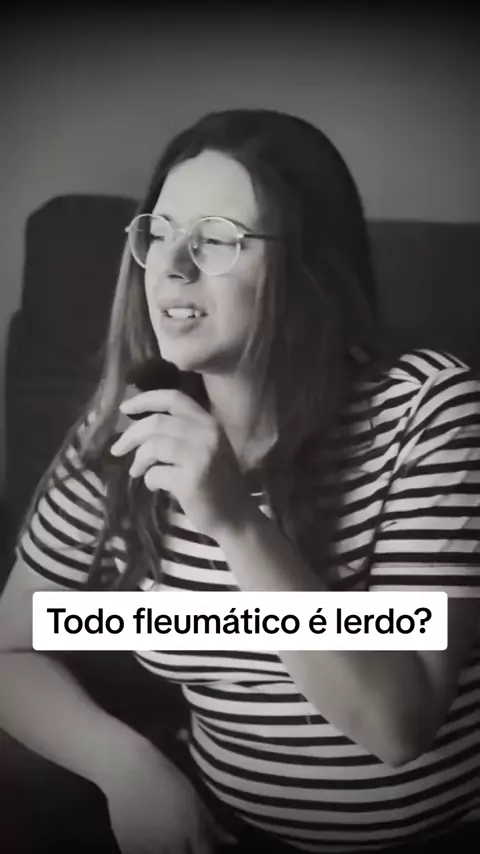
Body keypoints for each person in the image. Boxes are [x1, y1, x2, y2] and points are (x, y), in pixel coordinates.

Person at [0, 108, 479, 854]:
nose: (172, 265)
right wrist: (128, 770)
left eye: (217, 239)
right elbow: (9, 648)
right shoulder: (127, 426)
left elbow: (397, 726)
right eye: (159, 232)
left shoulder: (430, 410)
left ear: (310, 265)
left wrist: (234, 521)